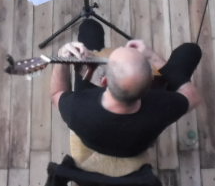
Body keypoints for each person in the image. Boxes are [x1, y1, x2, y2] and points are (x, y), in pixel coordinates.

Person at [49, 19, 202, 177]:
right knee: (191, 51)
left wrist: (62, 59)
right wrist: (152, 56)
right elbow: (193, 97)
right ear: (151, 82)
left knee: (89, 26)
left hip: (92, 142)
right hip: (134, 149)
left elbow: (56, 94)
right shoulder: (164, 105)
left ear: (104, 81)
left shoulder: (76, 108)